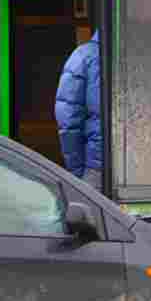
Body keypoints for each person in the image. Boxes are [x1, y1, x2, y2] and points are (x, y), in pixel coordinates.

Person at [55, 30, 103, 193]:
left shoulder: (84, 56)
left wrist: (77, 172)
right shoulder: (144, 54)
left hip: (97, 165)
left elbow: (68, 122)